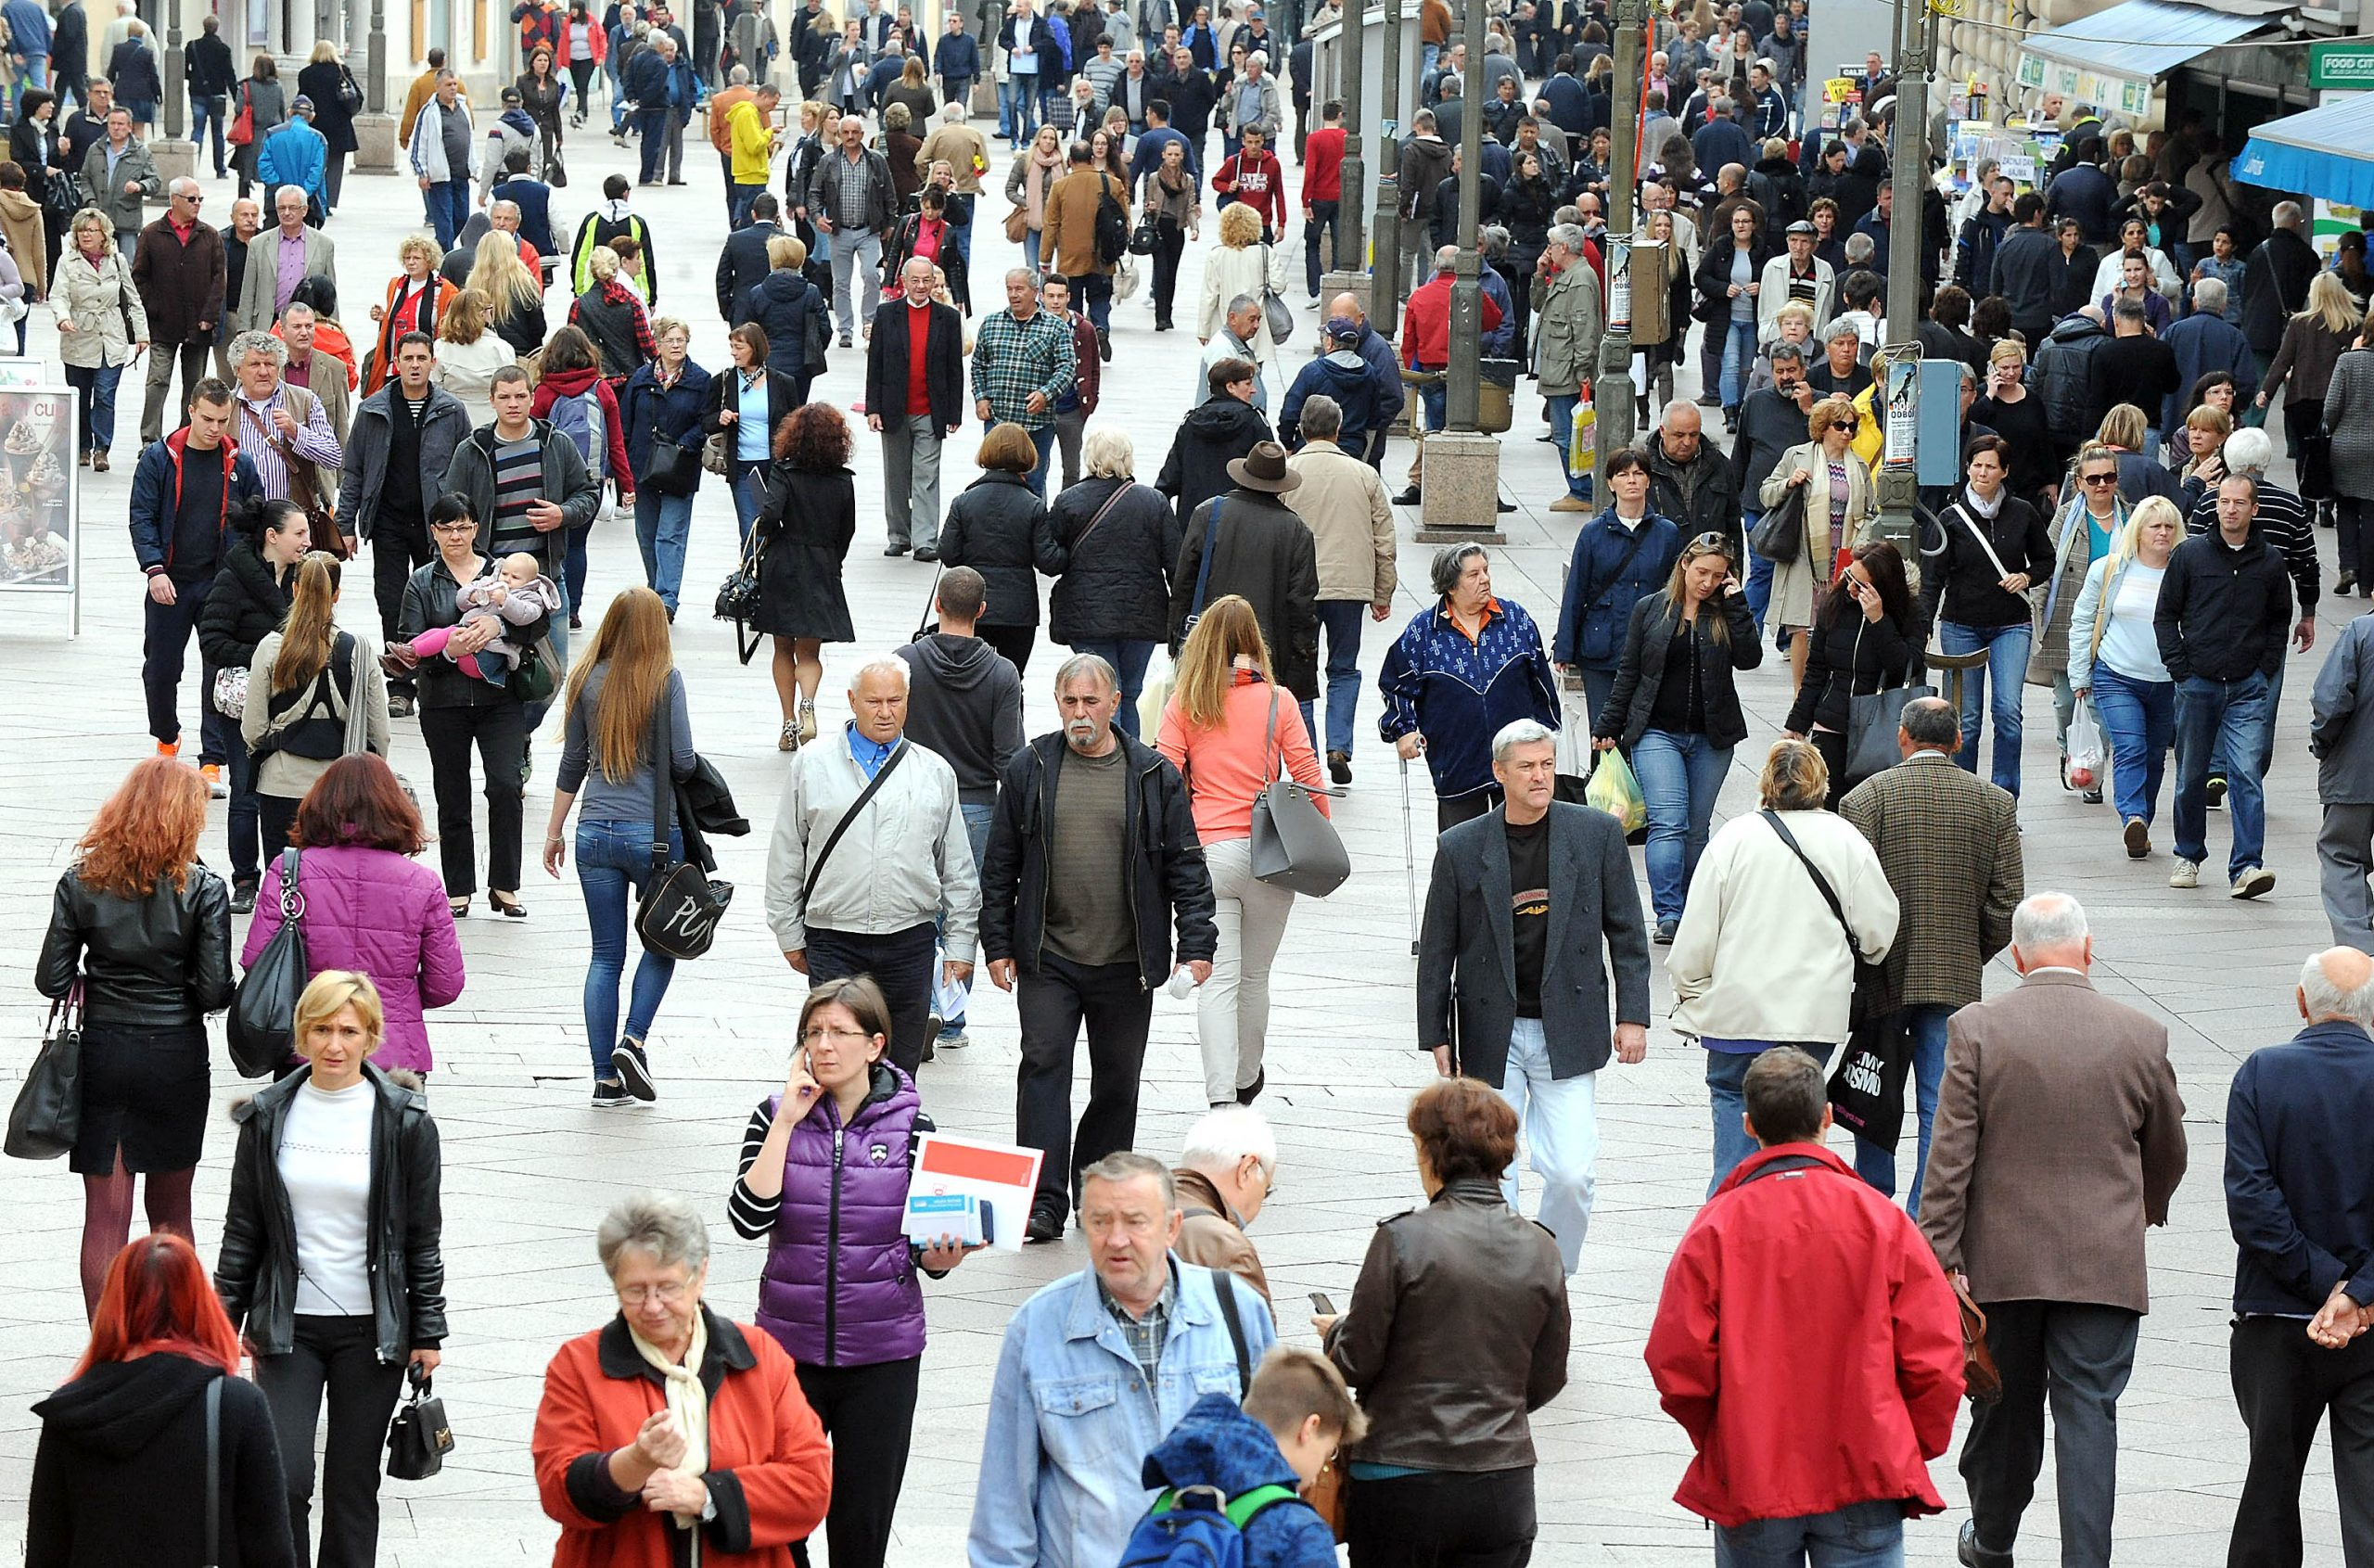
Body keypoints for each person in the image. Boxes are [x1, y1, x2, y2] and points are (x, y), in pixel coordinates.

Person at [1921, 893, 2188, 1568]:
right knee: (2089, 1413)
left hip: (2000, 1266)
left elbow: (1949, 1154)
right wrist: (2142, 1208)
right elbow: (2169, 1147)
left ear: (2015, 956)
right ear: (2089, 947)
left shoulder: (1977, 1028)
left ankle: (1993, 1538)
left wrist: (1940, 1253)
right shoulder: (2141, 1033)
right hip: (2103, 1262)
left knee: (2003, 1413)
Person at [1646, 1045, 1966, 1566]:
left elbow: (1677, 1360)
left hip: (1754, 1474)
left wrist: (1724, 1437)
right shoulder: (1881, 1222)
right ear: (1828, 1118)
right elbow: (1935, 1353)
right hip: (1864, 1468)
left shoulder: (1717, 1227)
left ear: (1749, 1126)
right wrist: (1906, 1442)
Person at [718, 975, 977, 1568]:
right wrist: (786, 1121)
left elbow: (926, 1256)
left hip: (883, 1354)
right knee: (780, 1528)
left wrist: (950, 1251)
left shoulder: (913, 1128)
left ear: (876, 1045)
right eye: (813, 1033)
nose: (824, 1046)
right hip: (787, 1352)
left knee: (862, 1530)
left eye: (840, 1032)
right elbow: (746, 1218)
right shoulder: (771, 1117)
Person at [212, 970, 445, 1568]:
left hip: (372, 1331)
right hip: (286, 1325)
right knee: (284, 1478)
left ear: (371, 1038)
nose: (333, 1045)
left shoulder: (405, 1122)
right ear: (302, 1034)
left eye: (348, 1031)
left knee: (351, 1488)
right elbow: (243, 1230)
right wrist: (215, 1324)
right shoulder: (268, 1115)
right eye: (321, 1030)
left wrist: (427, 1331)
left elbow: (421, 1236)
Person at [980, 657, 1216, 1240]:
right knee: (1043, 1066)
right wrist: (996, 942)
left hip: (1125, 961)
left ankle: (1098, 1192)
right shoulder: (1029, 766)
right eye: (1068, 702)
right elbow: (1000, 863)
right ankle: (1042, 1200)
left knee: (1117, 1079)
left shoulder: (1152, 775)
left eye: (1090, 702)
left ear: (1116, 703)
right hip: (1047, 955)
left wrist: (1197, 942)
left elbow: (1186, 864)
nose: (1079, 714)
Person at [1413, 718, 1650, 1277]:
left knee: (1572, 1172)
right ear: (1499, 774)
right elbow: (1438, 944)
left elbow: (1628, 930)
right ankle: (1502, 1279)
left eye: (1546, 764)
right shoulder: (1462, 846)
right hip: (1490, 1030)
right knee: (1493, 1172)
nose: (1540, 776)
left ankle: (1550, 1274)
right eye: (1526, 767)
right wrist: (1436, 1033)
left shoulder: (1595, 835)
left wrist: (1633, 1015)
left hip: (1569, 1026)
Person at [968, 1153, 1274, 1565]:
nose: (1116, 1239)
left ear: (1172, 1228)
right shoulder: (1037, 1327)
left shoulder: (1237, 1310)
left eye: (1135, 1221)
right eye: (1100, 1221)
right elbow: (1004, 1502)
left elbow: (1275, 1466)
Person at [1316, 1078, 1568, 1563]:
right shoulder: (1541, 1248)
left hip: (1400, 1475)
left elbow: (1355, 1361)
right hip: (1502, 1480)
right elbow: (1547, 1375)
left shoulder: (1402, 1239)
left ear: (1433, 1154)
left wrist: (1337, 1335)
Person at [530, 1192, 833, 1565]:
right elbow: (557, 1490)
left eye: (668, 1287)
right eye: (635, 1291)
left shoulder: (757, 1357)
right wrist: (635, 1462)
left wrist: (707, 1496)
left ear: (700, 1274)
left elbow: (810, 1484)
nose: (653, 1306)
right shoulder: (578, 1365)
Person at [33, 759, 231, 1316]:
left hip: (103, 1050)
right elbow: (214, 989)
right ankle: (172, 1340)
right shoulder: (204, 888)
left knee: (104, 1214)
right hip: (174, 1055)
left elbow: (51, 978)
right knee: (172, 1213)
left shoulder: (81, 881)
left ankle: (106, 1349)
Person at [1670, 739, 1898, 1192]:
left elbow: (1695, 935)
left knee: (1733, 1128)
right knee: (1799, 1129)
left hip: (1736, 1017)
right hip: (1810, 1018)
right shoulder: (1846, 840)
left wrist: (1693, 993)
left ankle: (1729, 1235)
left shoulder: (1733, 838)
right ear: (1822, 783)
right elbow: (1877, 933)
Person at [1833, 696, 2023, 1212]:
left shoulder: (1865, 799)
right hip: (1955, 977)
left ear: (1903, 737)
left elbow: (1851, 896)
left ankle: (1873, 1201)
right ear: (1958, 741)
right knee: (1940, 1105)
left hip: (1883, 977)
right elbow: (2006, 902)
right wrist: (1971, 949)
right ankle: (1925, 1212)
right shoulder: (1995, 803)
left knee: (1873, 1088)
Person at [2222, 948, 2374, 1565]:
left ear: (2302, 1000)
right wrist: (2356, 1295)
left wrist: (2327, 1284)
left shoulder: (2262, 1073)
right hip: (2370, 1321)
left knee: (2270, 1494)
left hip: (2277, 1319)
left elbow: (2252, 1204)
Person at [764, 655, 979, 1075]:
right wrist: (788, 931)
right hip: (834, 937)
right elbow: (787, 853)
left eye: (895, 701)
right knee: (834, 1065)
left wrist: (960, 942)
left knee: (899, 1072)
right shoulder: (812, 764)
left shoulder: (934, 771)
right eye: (874, 702)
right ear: (852, 700)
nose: (885, 712)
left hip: (909, 939)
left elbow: (957, 866)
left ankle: (891, 1139)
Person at [27, 1232, 296, 1566]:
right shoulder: (234, 1404)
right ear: (201, 1303)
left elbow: (46, 1551)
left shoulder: (71, 1410)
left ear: (114, 1305)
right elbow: (272, 1549)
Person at [1155, 597, 1326, 1108]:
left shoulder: (1185, 701)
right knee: (1255, 978)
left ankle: (1220, 1100)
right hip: (1272, 856)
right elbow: (1310, 777)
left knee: (1218, 981)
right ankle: (1247, 1080)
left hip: (1210, 855)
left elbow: (1164, 778)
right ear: (1256, 643)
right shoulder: (1280, 701)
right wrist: (1319, 842)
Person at [539, 587, 700, 1106]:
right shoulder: (665, 680)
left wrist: (554, 830)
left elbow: (573, 762)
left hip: (594, 831)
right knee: (662, 942)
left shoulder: (585, 678)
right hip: (654, 836)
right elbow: (682, 761)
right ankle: (633, 1040)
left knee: (605, 956)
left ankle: (603, 1078)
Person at [1591, 532, 1762, 941]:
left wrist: (1737, 603)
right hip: (1656, 731)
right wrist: (1608, 725)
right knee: (1668, 822)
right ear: (1684, 564)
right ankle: (1668, 912)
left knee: (1697, 828)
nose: (1707, 582)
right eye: (1702, 571)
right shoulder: (1650, 610)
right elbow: (1628, 672)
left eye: (1718, 576)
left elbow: (1750, 658)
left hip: (1711, 736)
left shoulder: (1726, 613)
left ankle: (1694, 907)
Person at [395, 493, 548, 916]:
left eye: (463, 526)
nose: (455, 535)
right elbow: (409, 643)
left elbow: (538, 622)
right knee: (452, 793)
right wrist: (450, 648)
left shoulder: (505, 572)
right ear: (434, 533)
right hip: (443, 700)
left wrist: (498, 624)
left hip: (500, 697)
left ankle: (506, 885)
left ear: (476, 529)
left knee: (505, 784)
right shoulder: (423, 580)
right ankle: (458, 887)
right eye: (446, 528)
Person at [2160, 472, 2294, 899]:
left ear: (2254, 509)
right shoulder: (2190, 555)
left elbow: (2279, 619)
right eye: (2223, 502)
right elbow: (2166, 615)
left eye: (2239, 503)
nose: (2230, 509)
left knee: (2246, 774)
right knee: (2191, 775)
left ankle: (2247, 865)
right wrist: (2180, 667)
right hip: (2197, 682)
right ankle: (2189, 853)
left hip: (2247, 686)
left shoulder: (2270, 562)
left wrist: (2265, 668)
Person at [129, 379, 265, 796]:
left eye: (223, 421)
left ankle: (212, 760)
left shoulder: (240, 464)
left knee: (218, 672)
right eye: (207, 418)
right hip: (170, 579)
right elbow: (142, 516)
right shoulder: (159, 458)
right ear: (191, 410)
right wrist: (154, 570)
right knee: (161, 668)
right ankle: (166, 736)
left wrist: (239, 574)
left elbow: (252, 521)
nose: (214, 428)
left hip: (219, 584)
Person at [1380, 544, 1561, 830]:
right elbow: (1396, 683)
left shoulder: (1515, 619)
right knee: (1462, 847)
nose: (1485, 579)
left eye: (1486, 571)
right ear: (1451, 586)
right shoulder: (1424, 631)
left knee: (1525, 839)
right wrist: (1404, 729)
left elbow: (1541, 684)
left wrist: (1549, 733)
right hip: (1455, 758)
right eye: (1473, 574)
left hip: (1518, 759)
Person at [1921, 434, 2052, 797]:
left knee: (2008, 713)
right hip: (1961, 624)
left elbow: (2046, 560)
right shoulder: (1951, 518)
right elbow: (1932, 577)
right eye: (1976, 465)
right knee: (1967, 718)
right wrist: (1923, 626)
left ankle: (2005, 796)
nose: (1982, 472)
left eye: (1990, 466)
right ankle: (1965, 796)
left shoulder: (2023, 512)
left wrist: (2025, 576)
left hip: (2011, 624)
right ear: (1967, 469)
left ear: (2004, 472)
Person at [241, 551, 389, 864]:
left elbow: (252, 727)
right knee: (336, 884)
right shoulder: (358, 650)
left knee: (284, 881)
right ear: (336, 595)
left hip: (281, 783)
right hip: (340, 789)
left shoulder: (270, 648)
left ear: (294, 589)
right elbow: (380, 733)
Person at [1281, 395, 1393, 781]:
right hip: (1349, 586)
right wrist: (1383, 592)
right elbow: (1384, 538)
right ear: (1338, 430)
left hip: (1299, 588)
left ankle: (1307, 755)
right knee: (1344, 668)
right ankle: (1339, 746)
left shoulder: (1288, 471)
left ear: (1302, 428)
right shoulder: (1364, 474)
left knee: (1301, 671)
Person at [1168, 439, 1318, 714]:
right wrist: (1303, 657)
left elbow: (1183, 584)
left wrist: (1176, 637)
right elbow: (1302, 604)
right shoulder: (1296, 530)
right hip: (1266, 653)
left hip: (1209, 644)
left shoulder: (1208, 514)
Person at [2069, 496, 2184, 855]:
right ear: (2139, 531)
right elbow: (2084, 619)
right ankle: (2132, 816)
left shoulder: (2185, 571)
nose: (2163, 533)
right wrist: (2079, 676)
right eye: (2155, 526)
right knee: (2131, 747)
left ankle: (2142, 824)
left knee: (2154, 754)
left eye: (2169, 526)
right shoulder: (2110, 568)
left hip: (2167, 681)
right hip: (2116, 674)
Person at [1046, 427, 1178, 734]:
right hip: (1141, 616)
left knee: (1099, 693)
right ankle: (1128, 765)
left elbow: (1051, 559)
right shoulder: (1153, 502)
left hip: (1086, 615)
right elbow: (1176, 562)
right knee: (1129, 692)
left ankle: (1104, 762)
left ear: (1090, 458)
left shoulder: (1070, 501)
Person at [1552, 449, 1683, 725]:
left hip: (1651, 646)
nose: (1632, 480)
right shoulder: (1593, 533)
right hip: (1601, 645)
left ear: (1649, 480)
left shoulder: (1667, 532)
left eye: (1638, 473)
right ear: (1611, 483)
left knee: (1644, 729)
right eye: (1623, 475)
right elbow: (1576, 590)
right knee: (1603, 731)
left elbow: (1677, 591)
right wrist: (1564, 648)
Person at [1756, 393, 1872, 687]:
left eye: (1852, 426)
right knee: (1801, 630)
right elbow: (1766, 494)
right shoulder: (1797, 456)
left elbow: (1870, 513)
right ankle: (1800, 695)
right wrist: (1788, 483)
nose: (1847, 432)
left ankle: (1829, 691)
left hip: (1845, 557)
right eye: (1840, 425)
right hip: (1804, 554)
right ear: (1823, 427)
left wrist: (1862, 544)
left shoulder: (1858, 467)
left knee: (1837, 629)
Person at [938, 420, 1066, 674]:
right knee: (1012, 680)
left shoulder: (964, 502)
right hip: (1018, 611)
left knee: (969, 679)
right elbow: (1049, 562)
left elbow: (948, 554)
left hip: (972, 605)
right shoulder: (1033, 505)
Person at [866, 255, 964, 558]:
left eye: (927, 280)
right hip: (894, 409)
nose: (921, 286)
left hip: (930, 410)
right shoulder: (886, 315)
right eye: (915, 280)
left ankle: (925, 540)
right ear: (904, 282)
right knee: (895, 477)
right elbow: (876, 365)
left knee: (926, 477)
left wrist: (954, 412)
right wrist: (873, 408)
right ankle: (899, 535)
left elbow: (954, 369)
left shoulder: (947, 318)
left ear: (934, 282)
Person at [129, 179, 223, 446]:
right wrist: (154, 307)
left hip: (199, 325)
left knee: (195, 386)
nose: (197, 204)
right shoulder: (151, 233)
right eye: (191, 199)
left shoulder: (209, 235)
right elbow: (139, 276)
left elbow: (219, 279)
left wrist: (210, 315)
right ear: (174, 200)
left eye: (199, 199)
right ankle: (150, 438)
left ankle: (187, 437)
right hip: (163, 324)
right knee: (157, 381)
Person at [55, 205, 147, 472]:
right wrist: (62, 317)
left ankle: (101, 448)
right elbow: (59, 294)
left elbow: (132, 298)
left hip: (111, 335)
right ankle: (83, 445)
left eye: (92, 230)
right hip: (79, 334)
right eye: (81, 230)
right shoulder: (67, 262)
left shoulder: (117, 260)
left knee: (106, 395)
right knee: (81, 396)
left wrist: (141, 334)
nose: (86, 235)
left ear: (104, 235)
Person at [970, 266, 1076, 497]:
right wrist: (980, 398)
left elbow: (1067, 368)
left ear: (1035, 291)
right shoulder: (991, 324)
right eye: (1009, 289)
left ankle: (1033, 529)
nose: (1014, 294)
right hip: (997, 420)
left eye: (1019, 289)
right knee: (994, 482)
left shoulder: (1055, 327)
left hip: (1036, 424)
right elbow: (978, 365)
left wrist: (1045, 394)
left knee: (1033, 484)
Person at [1170, 1105, 1279, 1302]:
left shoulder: (1126, 1210)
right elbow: (1254, 1331)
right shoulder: (1229, 1249)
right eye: (1266, 1191)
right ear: (1247, 1169)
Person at [808, 111, 896, 346]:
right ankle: (845, 329)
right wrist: (818, 216)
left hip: (869, 230)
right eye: (845, 132)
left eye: (855, 132)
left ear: (862, 135)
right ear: (839, 134)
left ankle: (869, 324)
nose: (850, 136)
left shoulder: (875, 160)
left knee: (871, 275)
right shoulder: (829, 162)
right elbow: (814, 192)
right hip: (839, 231)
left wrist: (889, 223)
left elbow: (889, 193)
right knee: (840, 282)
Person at [229, 185, 336, 340]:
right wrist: (244, 330)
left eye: (292, 208)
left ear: (304, 210)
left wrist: (334, 328)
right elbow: (248, 291)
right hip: (269, 325)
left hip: (307, 326)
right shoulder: (258, 243)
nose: (286, 213)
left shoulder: (324, 244)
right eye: (281, 208)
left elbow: (330, 291)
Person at [406, 70, 475, 248]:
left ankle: (436, 249)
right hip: (440, 177)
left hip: (462, 174)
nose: (453, 88)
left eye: (454, 84)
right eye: (448, 85)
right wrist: (421, 172)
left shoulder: (463, 107)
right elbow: (418, 143)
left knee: (462, 216)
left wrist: (474, 166)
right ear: (438, 87)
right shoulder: (429, 112)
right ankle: (445, 257)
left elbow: (470, 137)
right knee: (444, 222)